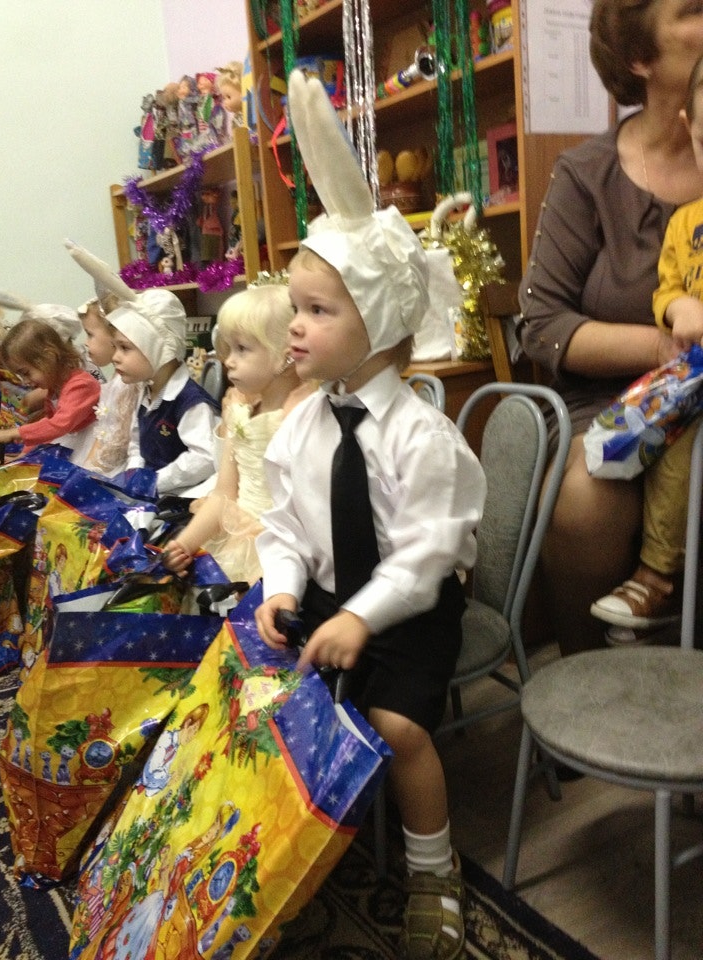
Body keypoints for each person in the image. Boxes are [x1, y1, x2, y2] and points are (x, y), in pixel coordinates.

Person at [254, 70, 486, 960]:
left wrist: (361, 617)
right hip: (329, 595)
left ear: (382, 321)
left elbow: (427, 557)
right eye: (296, 309)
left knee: (397, 726)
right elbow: (284, 526)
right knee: (267, 690)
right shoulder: (301, 425)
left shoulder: (423, 439)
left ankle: (433, 868)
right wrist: (281, 590)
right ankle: (302, 825)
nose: (295, 328)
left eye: (317, 311)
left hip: (409, 607)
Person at [516, 0, 703, 656]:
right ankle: (590, 682)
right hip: (610, 401)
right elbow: (542, 325)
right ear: (639, 57)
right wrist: (670, 349)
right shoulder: (586, 174)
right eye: (693, 9)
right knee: (589, 494)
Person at [590, 54, 703, 636]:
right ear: (691, 129)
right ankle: (658, 575)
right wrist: (679, 308)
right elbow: (667, 287)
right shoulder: (685, 223)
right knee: (672, 443)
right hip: (693, 378)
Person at [163, 282, 312, 585]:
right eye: (229, 349)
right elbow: (223, 494)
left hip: (286, 549)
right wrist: (184, 544)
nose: (228, 361)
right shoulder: (239, 410)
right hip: (238, 538)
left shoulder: (302, 417)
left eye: (242, 349)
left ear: (286, 357)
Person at [106, 288, 219, 495]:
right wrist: (134, 475)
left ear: (158, 348)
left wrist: (154, 482)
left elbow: (205, 458)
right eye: (114, 347)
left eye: (125, 348)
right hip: (149, 493)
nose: (115, 357)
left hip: (182, 498)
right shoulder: (145, 392)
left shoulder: (190, 402)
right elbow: (136, 444)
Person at [0, 318, 100, 463]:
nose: (25, 381)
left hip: (89, 446)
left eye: (26, 373)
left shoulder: (81, 385)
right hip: (71, 440)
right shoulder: (55, 388)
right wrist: (23, 456)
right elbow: (47, 426)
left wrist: (14, 432)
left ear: (49, 355)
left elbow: (57, 425)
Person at [78, 296, 140, 478]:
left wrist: (92, 471)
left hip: (115, 467)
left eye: (90, 334)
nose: (86, 342)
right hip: (101, 456)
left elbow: (120, 441)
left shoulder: (126, 383)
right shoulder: (116, 378)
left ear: (114, 335)